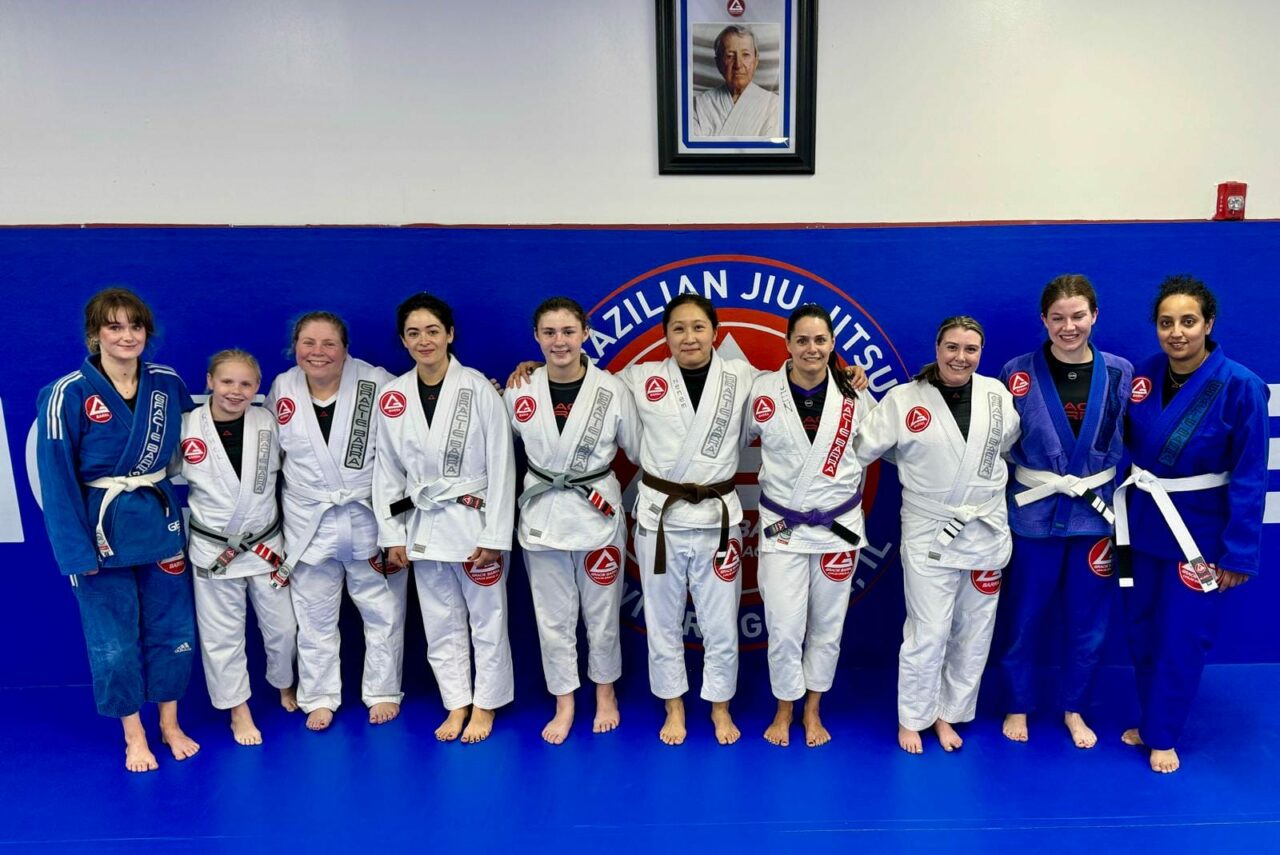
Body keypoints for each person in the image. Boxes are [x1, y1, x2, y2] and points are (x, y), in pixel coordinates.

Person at [36, 287, 200, 772]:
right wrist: (76, 555)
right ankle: (135, 735)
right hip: (101, 534)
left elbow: (194, 448)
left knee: (173, 630)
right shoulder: (66, 394)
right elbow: (57, 481)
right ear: (94, 336)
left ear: (146, 332)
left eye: (135, 326)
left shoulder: (167, 383)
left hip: (159, 524)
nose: (126, 335)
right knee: (113, 640)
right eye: (114, 326)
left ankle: (170, 723)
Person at [1114, 274, 1267, 773]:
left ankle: (1163, 734)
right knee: (1141, 632)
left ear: (1209, 324)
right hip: (1141, 524)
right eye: (1165, 323)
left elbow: (1249, 475)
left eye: (1187, 321)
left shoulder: (1241, 385)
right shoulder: (1144, 375)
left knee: (1183, 636)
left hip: (1197, 537)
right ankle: (1152, 716)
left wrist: (1238, 552)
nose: (1176, 332)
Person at [855, 316, 1020, 754]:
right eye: (951, 347)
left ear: (981, 353)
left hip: (985, 528)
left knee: (974, 630)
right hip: (931, 532)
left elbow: (1005, 448)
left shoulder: (998, 396)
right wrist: (855, 394)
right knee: (928, 631)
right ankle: (913, 717)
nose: (960, 357)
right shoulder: (904, 399)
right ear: (937, 348)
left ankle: (950, 714)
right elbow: (864, 446)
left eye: (970, 349)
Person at [995, 275, 1132, 748]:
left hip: (1094, 517)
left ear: (1095, 315)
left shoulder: (1120, 372)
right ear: (1044, 321)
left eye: (1078, 316)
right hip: (1033, 515)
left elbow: (1143, 434)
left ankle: (1074, 708)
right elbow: (988, 432)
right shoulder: (1017, 372)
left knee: (1089, 623)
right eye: (1058, 318)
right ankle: (1018, 704)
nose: (1068, 326)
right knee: (1023, 617)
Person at [373, 293, 516, 744]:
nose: (424, 340)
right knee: (440, 620)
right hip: (425, 524)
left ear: (450, 334)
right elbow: (386, 471)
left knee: (487, 619)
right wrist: (391, 532)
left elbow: (502, 465)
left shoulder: (477, 389)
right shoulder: (393, 396)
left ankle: (486, 704)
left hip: (475, 522)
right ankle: (456, 701)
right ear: (403, 340)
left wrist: (496, 534)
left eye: (433, 330)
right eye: (413, 333)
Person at [506, 298, 640, 745]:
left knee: (601, 615)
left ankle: (605, 694)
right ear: (537, 338)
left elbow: (637, 449)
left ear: (585, 333)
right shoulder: (519, 389)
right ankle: (565, 700)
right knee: (553, 618)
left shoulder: (612, 389)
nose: (559, 341)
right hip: (543, 513)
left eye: (568, 331)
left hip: (596, 511)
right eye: (549, 332)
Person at [266, 312, 406, 732]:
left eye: (329, 343)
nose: (318, 352)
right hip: (309, 521)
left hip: (369, 517)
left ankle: (383, 691)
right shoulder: (282, 387)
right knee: (314, 617)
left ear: (346, 348)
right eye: (309, 343)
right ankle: (320, 696)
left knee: (383, 612)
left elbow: (409, 437)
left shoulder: (376, 383)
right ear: (295, 347)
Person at [745, 305, 873, 748]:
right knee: (782, 625)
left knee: (827, 625)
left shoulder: (855, 395)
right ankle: (784, 709)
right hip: (784, 528)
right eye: (802, 340)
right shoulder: (762, 392)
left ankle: (813, 711)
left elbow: (875, 447)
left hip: (838, 528)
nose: (811, 348)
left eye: (820, 340)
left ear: (833, 345)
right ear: (788, 344)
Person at [180, 349, 298, 746]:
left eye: (246, 384)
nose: (236, 391)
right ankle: (238, 710)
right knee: (222, 636)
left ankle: (284, 682)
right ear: (210, 381)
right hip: (214, 553)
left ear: (257, 389)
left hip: (266, 547)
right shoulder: (185, 428)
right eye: (227, 381)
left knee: (283, 629)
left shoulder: (268, 423)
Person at [691, 24, 781, 138]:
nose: (738, 64)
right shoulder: (700, 105)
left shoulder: (774, 105)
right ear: (718, 63)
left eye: (746, 55)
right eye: (730, 56)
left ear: (756, 60)